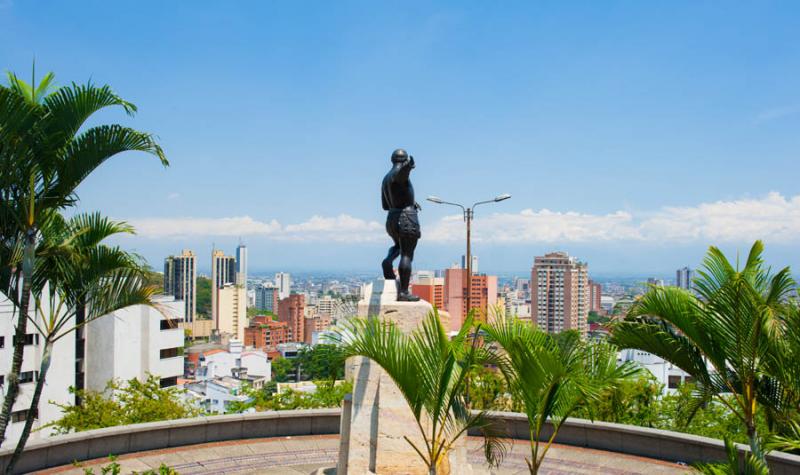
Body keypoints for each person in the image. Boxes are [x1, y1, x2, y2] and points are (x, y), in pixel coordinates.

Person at [381, 148, 421, 301]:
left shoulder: (385, 179)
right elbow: (401, 175)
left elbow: (385, 205)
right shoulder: (399, 174)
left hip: (392, 218)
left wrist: (409, 201)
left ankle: (387, 261)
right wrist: (408, 167)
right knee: (406, 255)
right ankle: (404, 292)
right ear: (403, 160)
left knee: (398, 247)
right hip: (406, 218)